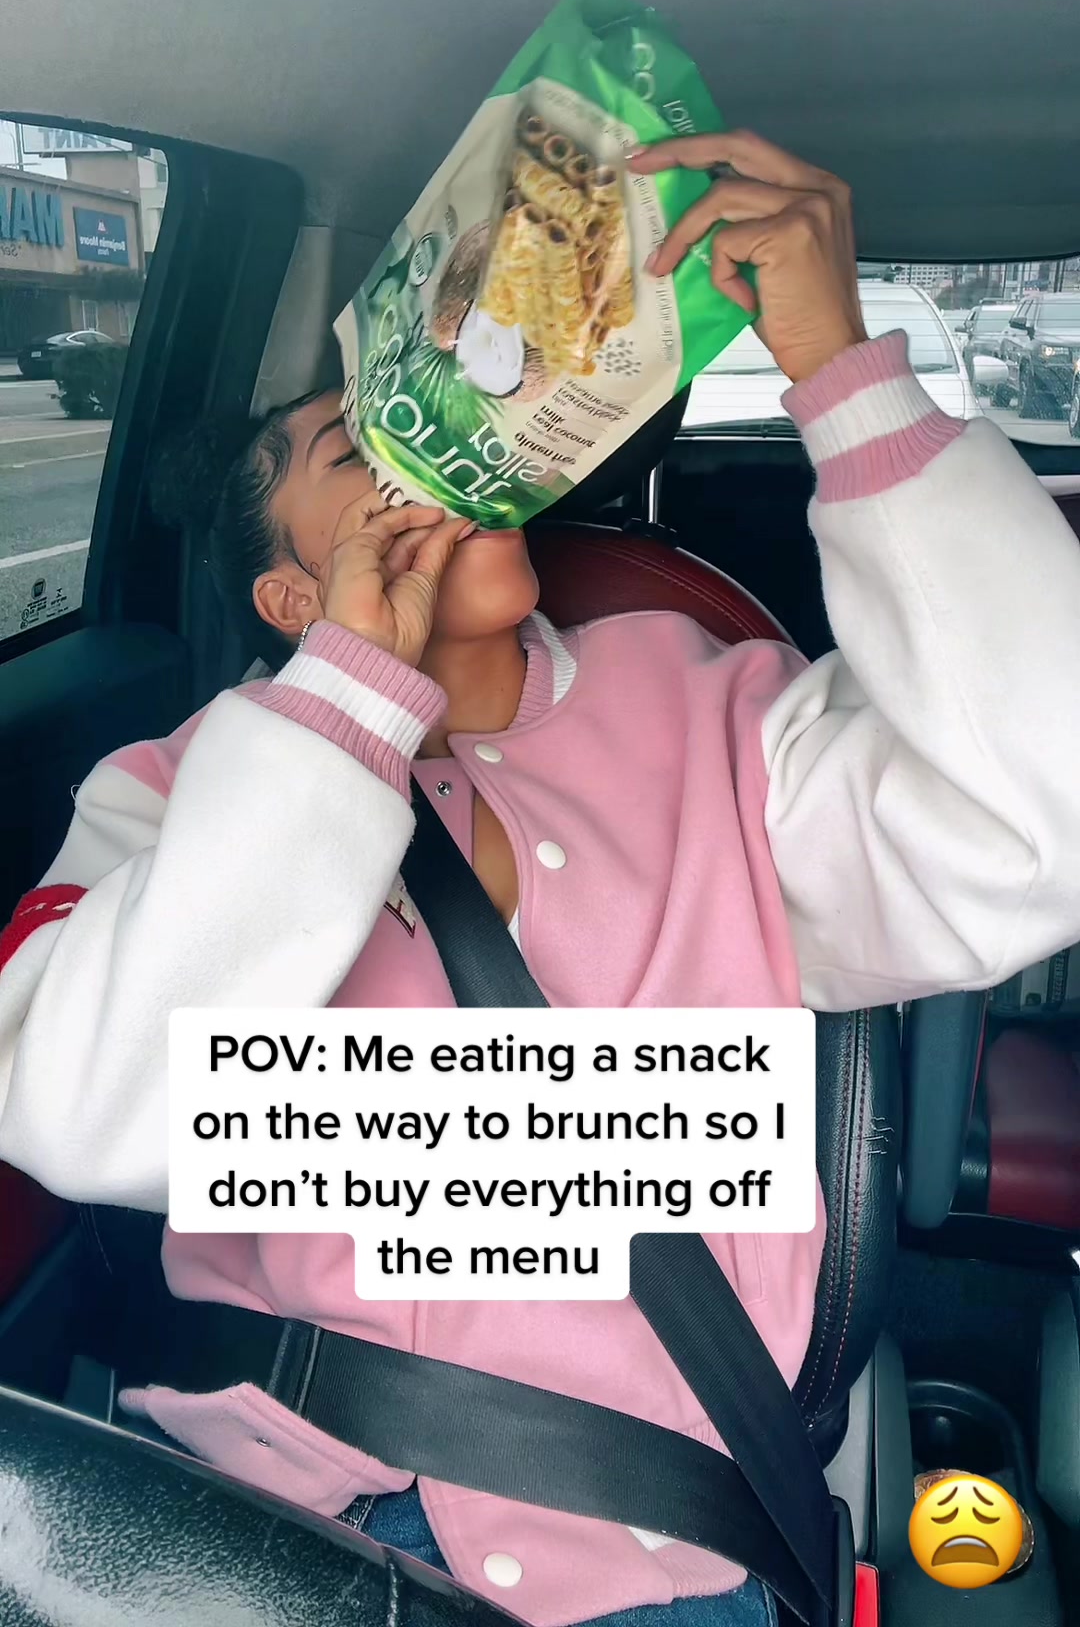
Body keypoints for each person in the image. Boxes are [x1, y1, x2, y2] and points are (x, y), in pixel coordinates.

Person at [3, 131, 1080, 1627]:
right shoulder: (172, 790)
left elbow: (1040, 822)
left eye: (419, 421)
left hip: (654, 1538)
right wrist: (348, 698)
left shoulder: (722, 711)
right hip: (274, 1525)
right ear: (289, 592)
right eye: (353, 454)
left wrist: (846, 375)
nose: (413, 458)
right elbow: (75, 1114)